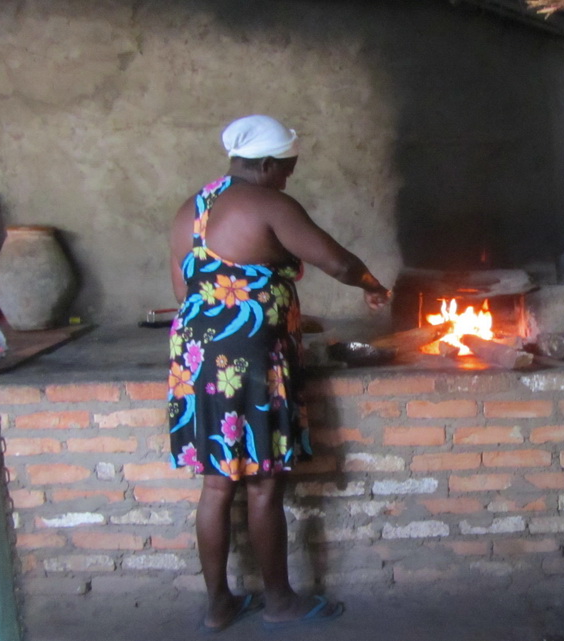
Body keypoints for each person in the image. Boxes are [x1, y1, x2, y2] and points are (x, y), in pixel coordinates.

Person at [166, 114, 390, 633]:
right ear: (266, 164)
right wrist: (371, 283)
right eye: (286, 169)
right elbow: (334, 260)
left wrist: (268, 304)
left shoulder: (190, 209)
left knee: (218, 485)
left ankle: (219, 604)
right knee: (264, 482)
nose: (288, 178)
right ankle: (279, 600)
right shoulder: (268, 202)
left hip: (195, 356)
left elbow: (188, 294)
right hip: (246, 359)